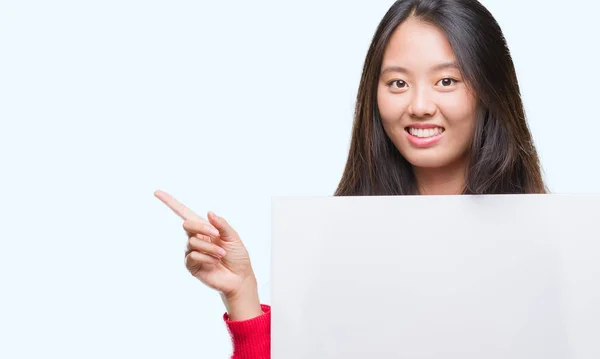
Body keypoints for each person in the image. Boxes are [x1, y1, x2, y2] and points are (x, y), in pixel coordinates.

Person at [155, 0, 547, 357]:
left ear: (490, 89)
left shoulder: (552, 242)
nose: (420, 106)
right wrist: (243, 295)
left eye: (447, 81)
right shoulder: (346, 242)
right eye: (397, 83)